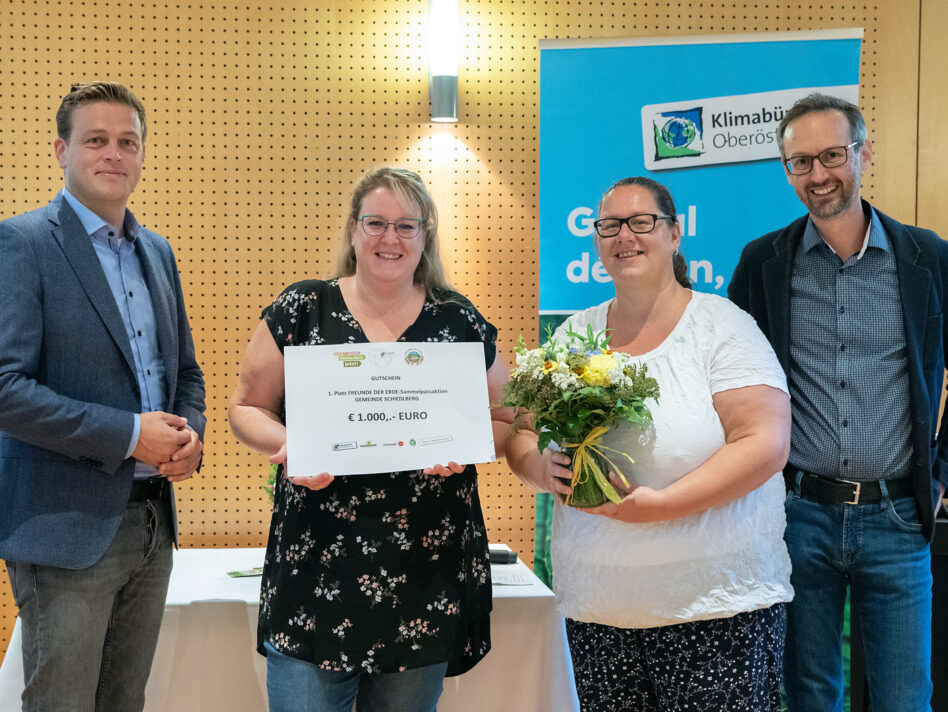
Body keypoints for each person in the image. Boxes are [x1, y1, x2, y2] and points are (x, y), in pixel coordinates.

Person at [228, 166, 512, 712]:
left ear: (426, 235)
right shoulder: (302, 309)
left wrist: (469, 445)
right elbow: (247, 407)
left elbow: (507, 418)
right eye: (376, 223)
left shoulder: (458, 321)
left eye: (406, 226)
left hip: (423, 571)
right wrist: (287, 445)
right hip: (317, 565)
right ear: (353, 231)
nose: (389, 239)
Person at [507, 176, 793, 711]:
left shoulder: (722, 327)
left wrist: (660, 508)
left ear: (674, 234)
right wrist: (541, 471)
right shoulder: (573, 334)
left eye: (643, 222)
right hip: (598, 612)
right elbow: (522, 433)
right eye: (610, 225)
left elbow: (765, 442)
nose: (625, 236)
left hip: (714, 612)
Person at [729, 93, 947, 711]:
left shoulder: (927, 258)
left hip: (900, 518)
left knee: (905, 698)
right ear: (787, 171)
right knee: (808, 695)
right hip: (798, 512)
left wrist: (941, 472)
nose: (819, 175)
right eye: (801, 162)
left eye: (832, 155)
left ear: (864, 153)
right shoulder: (763, 263)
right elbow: (731, 378)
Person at [0, 81, 206, 712]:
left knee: (125, 703)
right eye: (96, 140)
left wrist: (189, 437)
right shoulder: (23, 243)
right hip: (64, 528)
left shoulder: (157, 252)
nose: (113, 153)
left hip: (151, 522)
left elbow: (186, 376)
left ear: (142, 156)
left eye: (127, 142)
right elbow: (5, 389)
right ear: (61, 150)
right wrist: (126, 434)